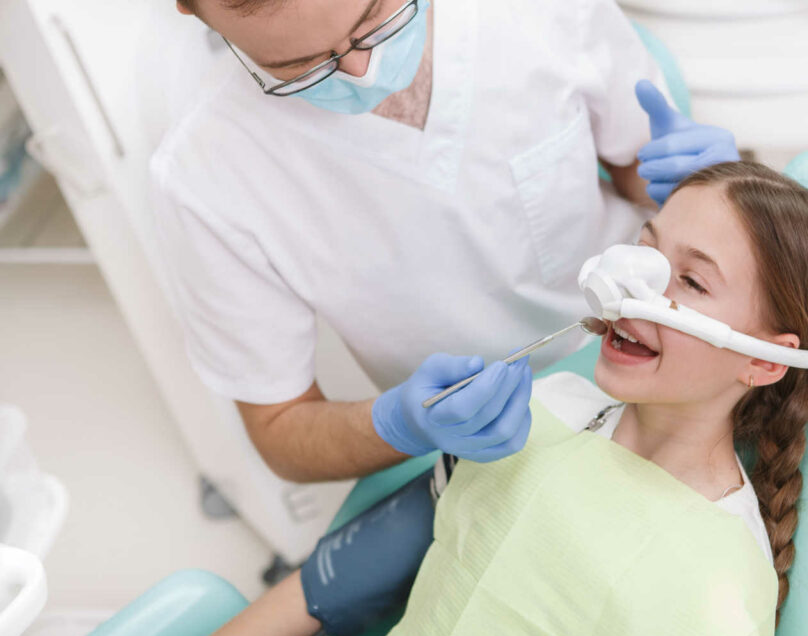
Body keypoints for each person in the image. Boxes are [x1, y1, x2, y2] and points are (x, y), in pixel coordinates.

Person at [159, 161, 808, 636]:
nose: (631, 286)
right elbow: (366, 564)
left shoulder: (716, 593)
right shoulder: (542, 411)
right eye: (646, 251)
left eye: (691, 280)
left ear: (765, 362)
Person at [153, 0, 740, 481]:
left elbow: (636, 168)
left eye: (374, 19)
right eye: (302, 66)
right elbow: (281, 429)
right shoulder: (204, 177)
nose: (362, 71)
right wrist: (401, 424)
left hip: (669, 355)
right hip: (494, 448)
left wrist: (699, 185)